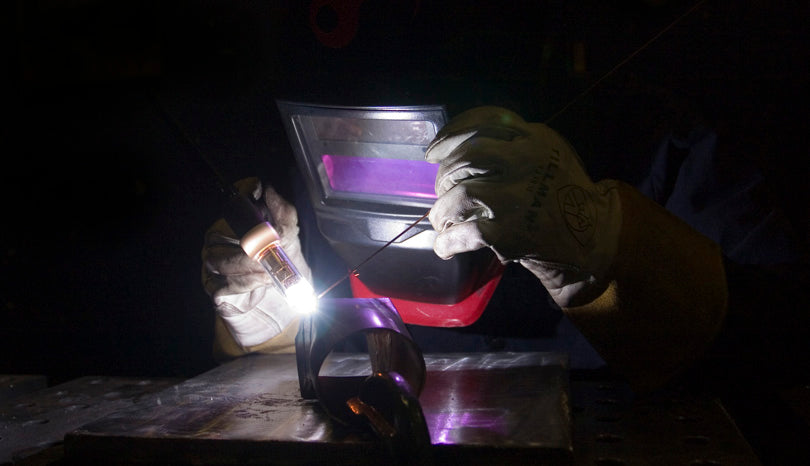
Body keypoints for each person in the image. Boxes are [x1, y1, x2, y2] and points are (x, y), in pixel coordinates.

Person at [202, 105, 808, 394]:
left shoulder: (675, 156)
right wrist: (264, 327)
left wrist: (608, 246)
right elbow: (290, 382)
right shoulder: (308, 188)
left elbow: (777, 361)